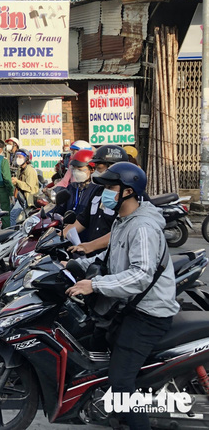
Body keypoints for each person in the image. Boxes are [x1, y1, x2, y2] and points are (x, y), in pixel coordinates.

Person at [66, 162, 178, 430]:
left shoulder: (142, 228)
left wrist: (96, 286)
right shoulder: (123, 220)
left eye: (109, 187)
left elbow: (141, 275)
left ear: (127, 192)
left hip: (149, 313)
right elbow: (114, 257)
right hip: (128, 306)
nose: (104, 192)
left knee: (121, 382)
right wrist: (81, 264)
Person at [65, 146, 129, 254]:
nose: (95, 172)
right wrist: (58, 236)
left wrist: (91, 246)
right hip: (93, 257)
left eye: (98, 168)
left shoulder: (128, 195)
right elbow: (82, 221)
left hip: (115, 256)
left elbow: (123, 230)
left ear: (113, 167)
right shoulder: (98, 191)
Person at [54, 149, 102, 218]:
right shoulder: (71, 188)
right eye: (74, 169)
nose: (76, 172)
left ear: (92, 169)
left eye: (79, 169)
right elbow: (59, 209)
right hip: (67, 227)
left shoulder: (97, 191)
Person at [9, 149, 39, 226]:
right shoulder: (20, 169)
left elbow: (29, 187)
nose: (18, 159)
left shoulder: (30, 170)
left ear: (26, 159)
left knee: (12, 215)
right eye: (17, 157)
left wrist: (17, 181)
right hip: (20, 196)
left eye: (20, 157)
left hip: (27, 198)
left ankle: (12, 234)